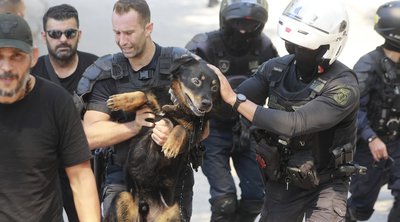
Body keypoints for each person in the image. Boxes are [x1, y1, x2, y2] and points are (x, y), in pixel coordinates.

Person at [208, 0, 362, 221]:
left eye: (305, 46)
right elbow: (228, 106)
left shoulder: (343, 85)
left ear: (328, 46)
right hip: (284, 179)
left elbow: (295, 123)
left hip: (327, 184)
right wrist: (205, 87)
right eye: (293, 44)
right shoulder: (275, 69)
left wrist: (235, 99)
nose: (296, 50)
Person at [79, 0, 196, 220]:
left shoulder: (179, 67)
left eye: (129, 33)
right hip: (122, 179)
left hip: (170, 180)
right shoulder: (108, 72)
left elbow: (204, 126)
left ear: (148, 28)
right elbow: (89, 136)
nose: (122, 41)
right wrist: (133, 126)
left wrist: (174, 130)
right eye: (117, 33)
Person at [0, 13, 100, 221]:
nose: (6, 67)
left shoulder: (56, 102)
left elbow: (81, 178)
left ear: (33, 57)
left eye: (16, 55)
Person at [185, 0, 278, 221]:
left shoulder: (265, 48)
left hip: (249, 126)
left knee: (256, 197)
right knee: (224, 201)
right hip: (212, 128)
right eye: (237, 24)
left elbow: (279, 86)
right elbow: (182, 85)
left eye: (250, 25)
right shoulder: (203, 46)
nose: (243, 31)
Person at [29, 4, 98, 222]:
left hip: (82, 164)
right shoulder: (31, 73)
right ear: (44, 36)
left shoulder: (96, 68)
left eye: (69, 33)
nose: (62, 39)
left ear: (79, 34)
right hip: (43, 171)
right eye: (55, 34)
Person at [346, 1, 400, 222]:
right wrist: (371, 137)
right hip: (370, 146)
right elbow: (352, 108)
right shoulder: (368, 65)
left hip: (397, 144)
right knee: (360, 208)